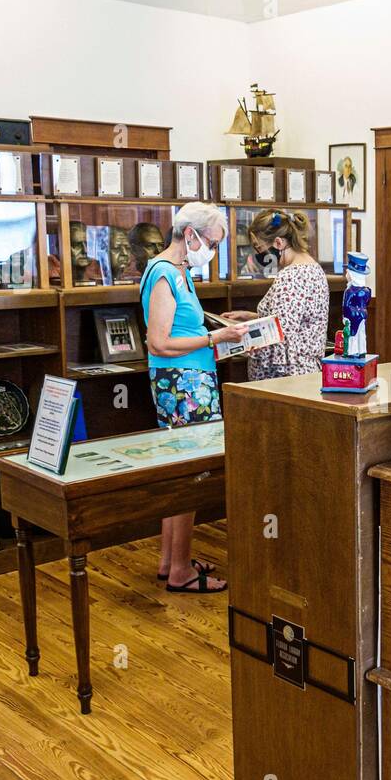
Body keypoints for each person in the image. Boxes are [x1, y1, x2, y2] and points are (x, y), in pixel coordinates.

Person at [141, 202, 249, 594]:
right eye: (213, 243)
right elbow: (160, 341)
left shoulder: (180, 273)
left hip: (192, 379)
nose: (214, 251)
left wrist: (225, 339)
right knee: (190, 475)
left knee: (181, 472)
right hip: (182, 386)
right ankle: (182, 571)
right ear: (190, 235)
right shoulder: (165, 274)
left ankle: (172, 561)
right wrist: (215, 338)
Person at [221, 208, 329, 381]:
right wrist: (254, 317)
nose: (258, 254)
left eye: (259, 247)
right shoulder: (312, 269)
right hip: (303, 372)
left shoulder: (291, 276)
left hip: (284, 379)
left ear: (278, 243)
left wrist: (240, 339)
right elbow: (294, 319)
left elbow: (280, 337)